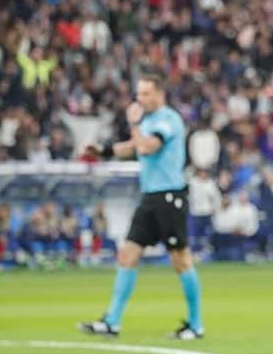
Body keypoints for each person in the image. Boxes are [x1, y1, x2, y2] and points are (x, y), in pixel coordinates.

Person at [78, 75, 204, 340]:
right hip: (150, 197)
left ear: (160, 94)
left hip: (169, 196)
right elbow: (133, 147)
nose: (140, 99)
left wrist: (134, 124)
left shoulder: (168, 120)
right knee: (127, 254)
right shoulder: (148, 121)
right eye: (138, 93)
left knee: (181, 260)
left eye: (146, 93)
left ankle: (195, 325)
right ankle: (112, 321)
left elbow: (146, 147)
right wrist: (103, 151)